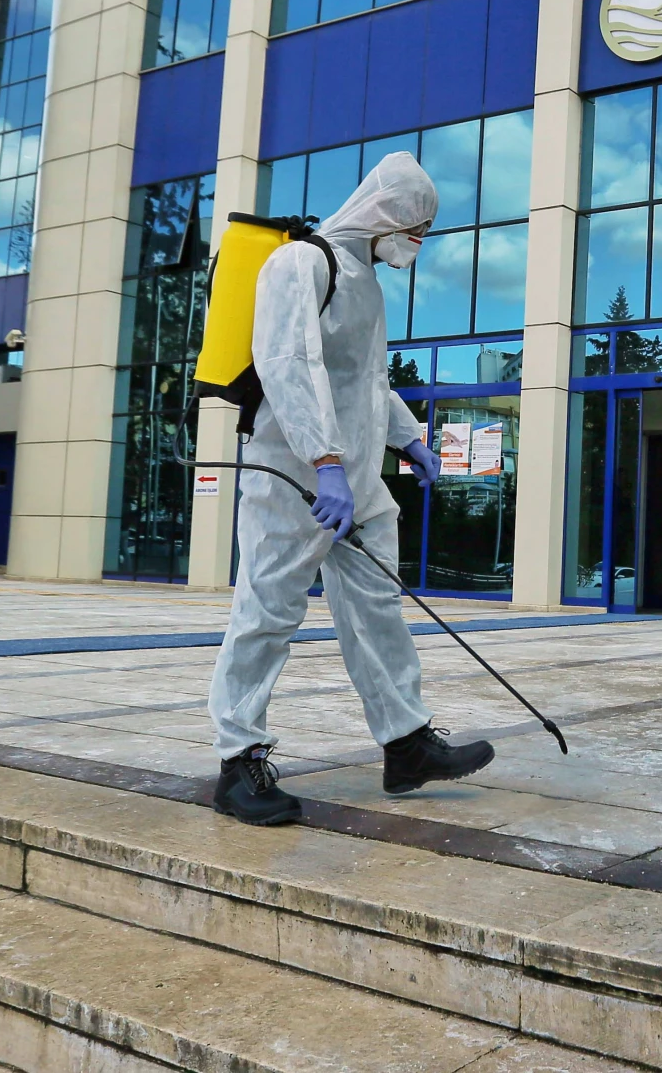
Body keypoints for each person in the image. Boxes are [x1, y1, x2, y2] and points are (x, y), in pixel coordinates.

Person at [209, 153, 495, 825]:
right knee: (267, 609)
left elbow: (365, 381)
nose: (418, 242)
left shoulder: (366, 281)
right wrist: (325, 461)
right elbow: (287, 363)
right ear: (384, 212)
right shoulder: (301, 264)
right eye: (416, 226)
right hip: (294, 473)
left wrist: (409, 438)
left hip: (356, 476)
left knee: (375, 607)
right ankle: (237, 760)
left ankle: (405, 743)